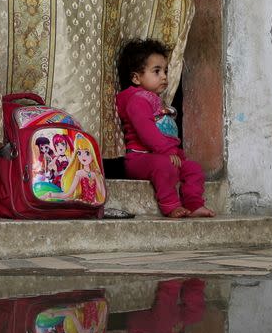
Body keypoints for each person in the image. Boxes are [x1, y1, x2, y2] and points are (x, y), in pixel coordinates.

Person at [116, 39, 215, 218]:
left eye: (166, 71)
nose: (164, 76)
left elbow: (168, 135)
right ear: (136, 78)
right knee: (162, 166)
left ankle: (194, 204)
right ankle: (170, 205)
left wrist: (177, 154)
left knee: (193, 169)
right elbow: (146, 131)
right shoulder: (137, 100)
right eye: (157, 71)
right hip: (141, 159)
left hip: (167, 155)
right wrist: (168, 151)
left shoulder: (156, 101)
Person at [44, 134, 106, 205]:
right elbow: (67, 194)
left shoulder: (95, 173)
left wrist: (98, 178)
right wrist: (50, 195)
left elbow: (102, 197)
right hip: (82, 205)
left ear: (92, 155)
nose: (82, 156)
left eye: (87, 153)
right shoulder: (79, 173)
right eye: (79, 153)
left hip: (92, 207)